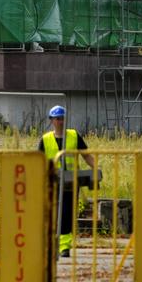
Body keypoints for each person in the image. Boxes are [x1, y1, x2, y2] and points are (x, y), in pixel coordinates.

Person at [39, 105, 96, 258]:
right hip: (52, 183)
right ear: (52, 120)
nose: (61, 121)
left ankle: (64, 247)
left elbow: (86, 156)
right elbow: (37, 161)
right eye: (58, 119)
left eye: (63, 118)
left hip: (71, 183)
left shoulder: (74, 136)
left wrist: (96, 169)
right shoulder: (45, 140)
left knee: (67, 213)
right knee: (54, 213)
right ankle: (52, 244)